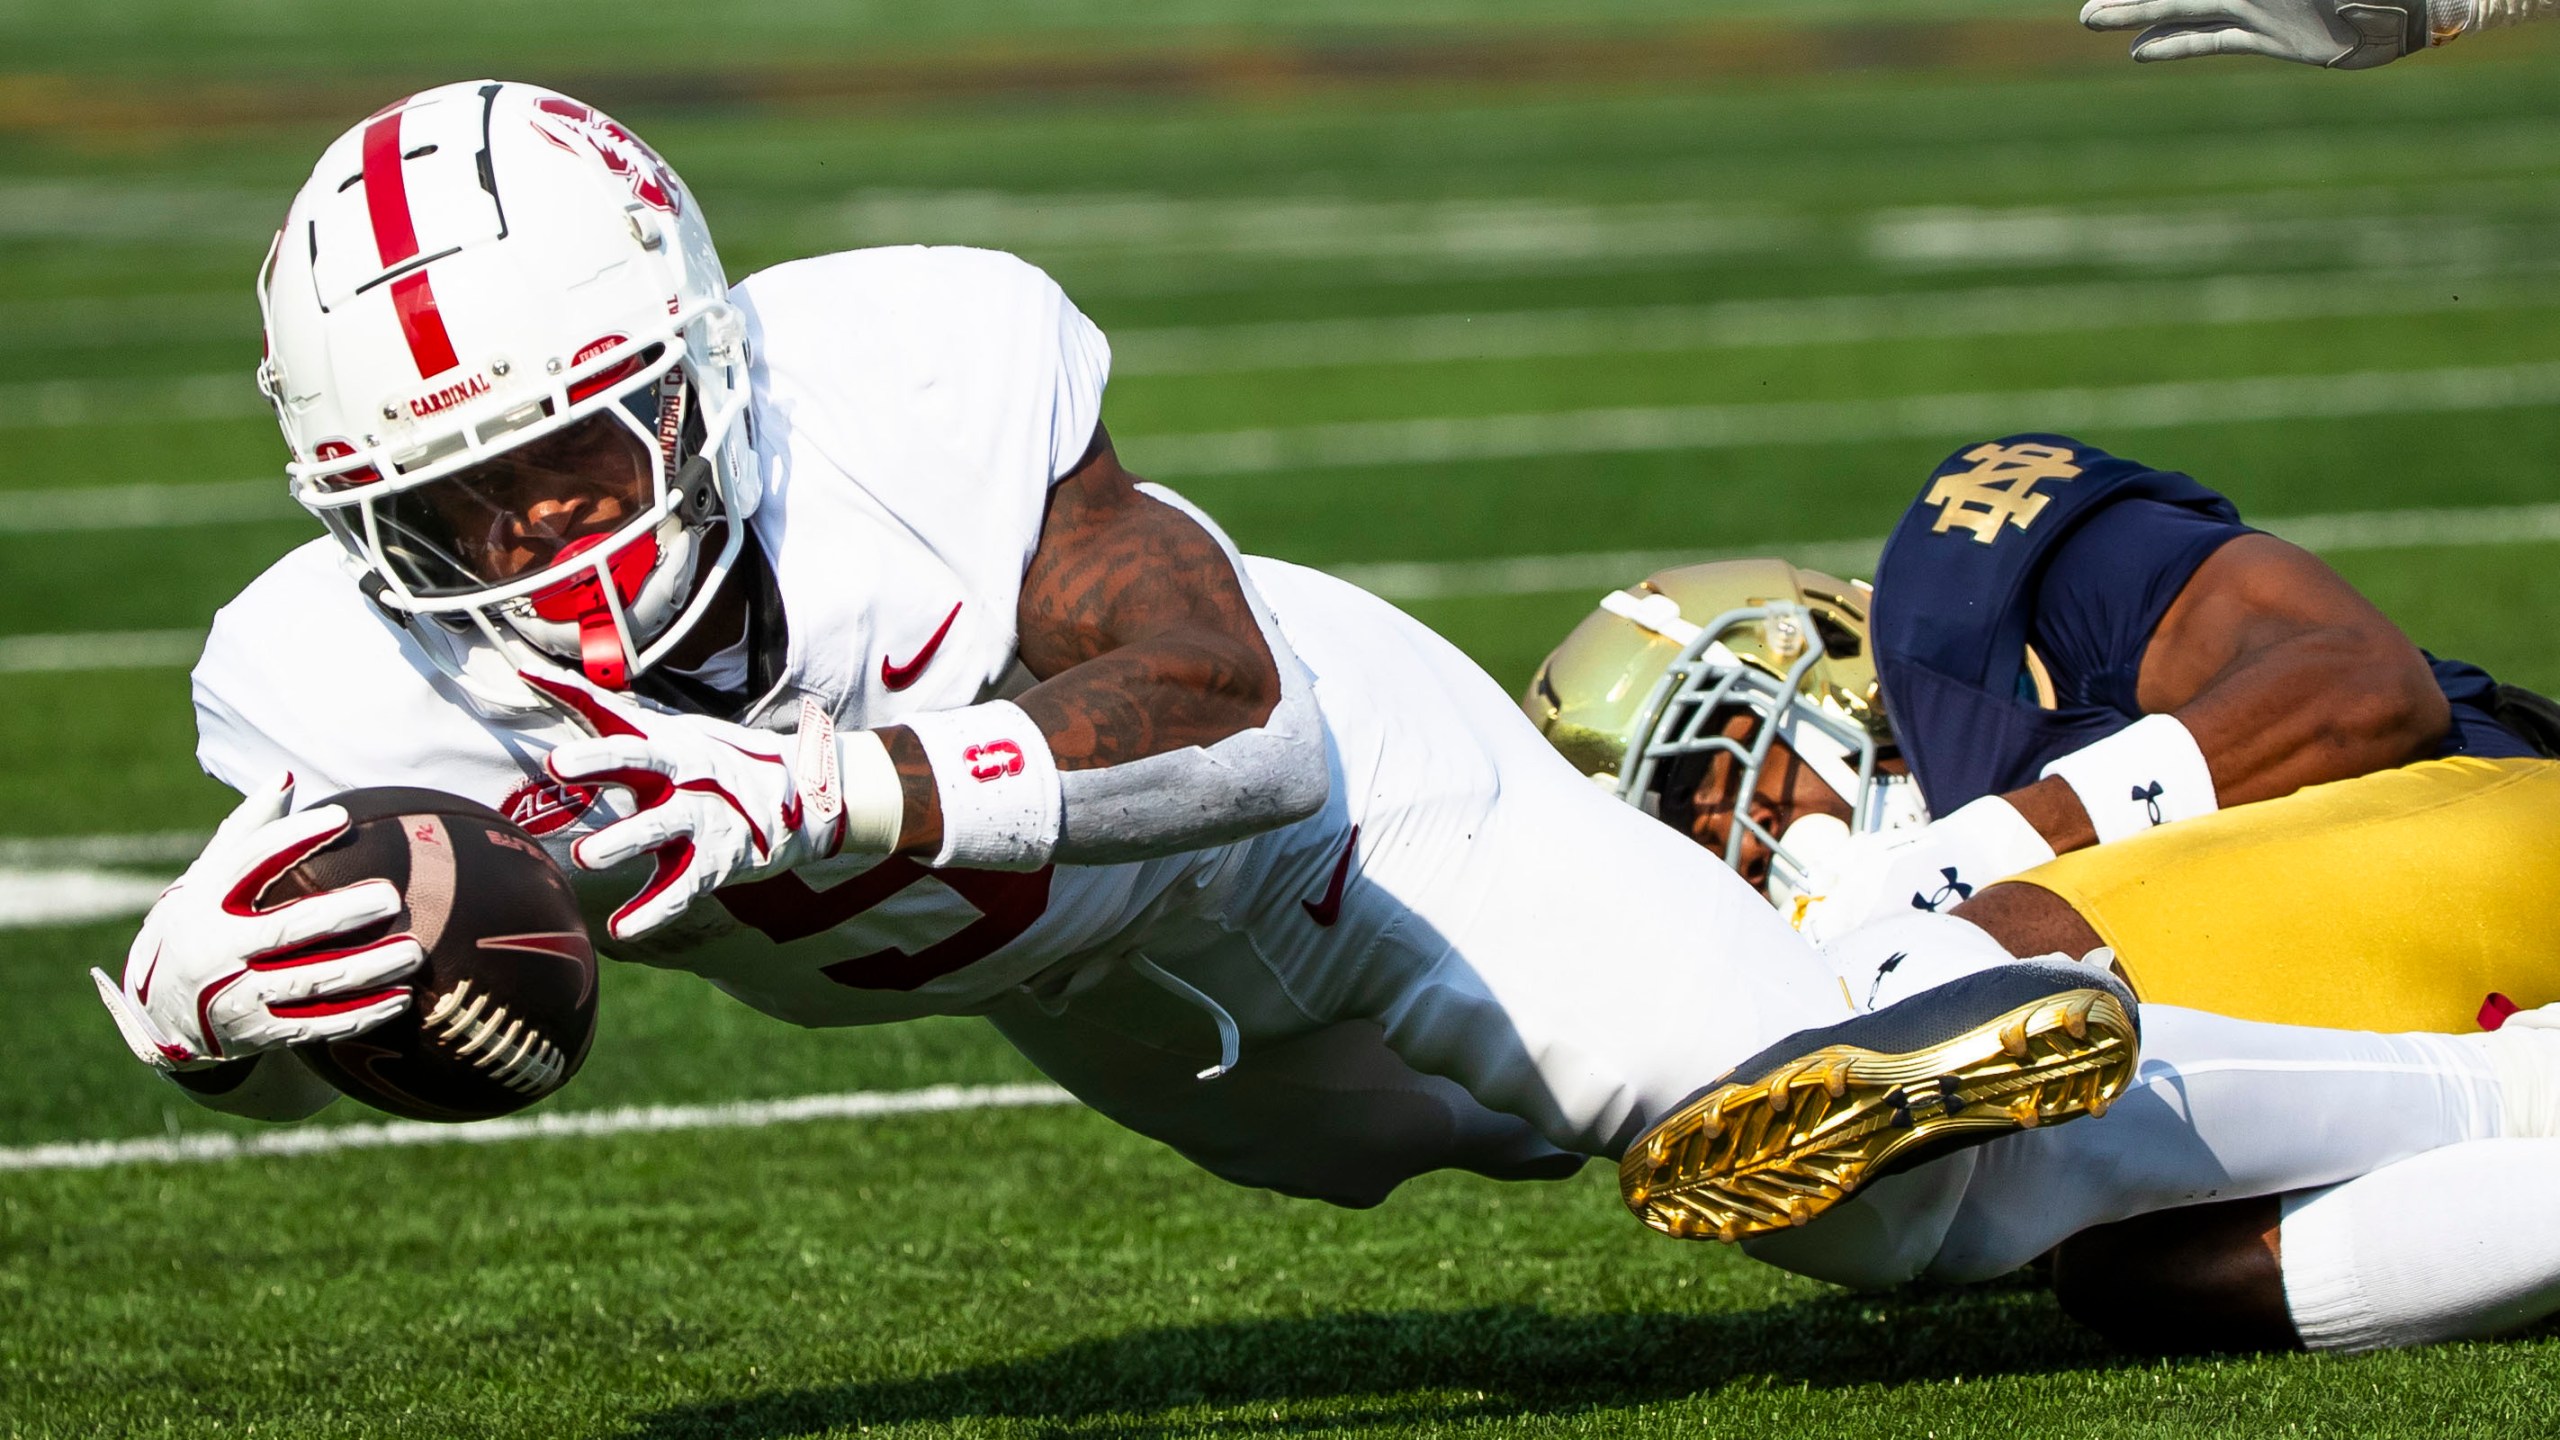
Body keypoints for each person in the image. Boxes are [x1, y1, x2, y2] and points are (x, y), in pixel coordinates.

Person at [85, 84, 2560, 1305]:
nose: (538, 545)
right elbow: (467, 988)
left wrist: (828, 778)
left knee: (1895, 1183)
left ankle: (2475, 1098)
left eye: (579, 456)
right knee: (1917, 1184)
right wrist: (280, 991)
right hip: (1169, 1047)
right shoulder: (329, 668)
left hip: (1369, 820)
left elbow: (1223, 698)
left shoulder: (912, 371)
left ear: (706, 375)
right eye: (458, 506)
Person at [1522, 433, 2560, 1349]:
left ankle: (2524, 1089)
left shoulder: (1971, 600)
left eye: (1699, 779)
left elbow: (2363, 686)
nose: (1722, 838)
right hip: (2399, 994)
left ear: (1810, 658)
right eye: (1676, 840)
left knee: (1983, 969)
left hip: (2505, 830)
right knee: (2130, 1275)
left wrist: (1960, 864)